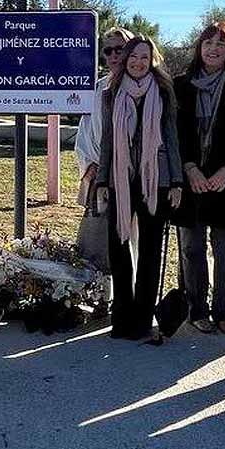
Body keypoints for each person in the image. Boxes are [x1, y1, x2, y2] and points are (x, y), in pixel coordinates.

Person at [96, 36, 184, 341]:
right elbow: (107, 139)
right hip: (121, 178)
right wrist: (102, 179)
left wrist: (175, 181)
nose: (138, 62)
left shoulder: (162, 91)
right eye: (133, 57)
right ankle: (121, 317)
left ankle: (143, 319)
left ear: (152, 60)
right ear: (125, 59)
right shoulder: (112, 92)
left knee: (149, 251)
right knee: (118, 249)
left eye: (144, 58)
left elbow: (171, 138)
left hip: (155, 179)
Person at [172, 21, 225, 334]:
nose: (213, 49)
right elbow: (173, 132)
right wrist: (189, 168)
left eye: (220, 43)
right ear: (199, 48)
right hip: (190, 179)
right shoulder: (182, 85)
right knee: (191, 249)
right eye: (208, 43)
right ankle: (196, 309)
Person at [74, 26, 134, 317]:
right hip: (100, 177)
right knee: (100, 240)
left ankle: (129, 297)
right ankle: (103, 298)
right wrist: (89, 166)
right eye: (107, 50)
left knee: (129, 239)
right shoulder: (96, 89)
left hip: (133, 179)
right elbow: (84, 134)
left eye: (119, 49)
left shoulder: (143, 87)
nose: (113, 55)